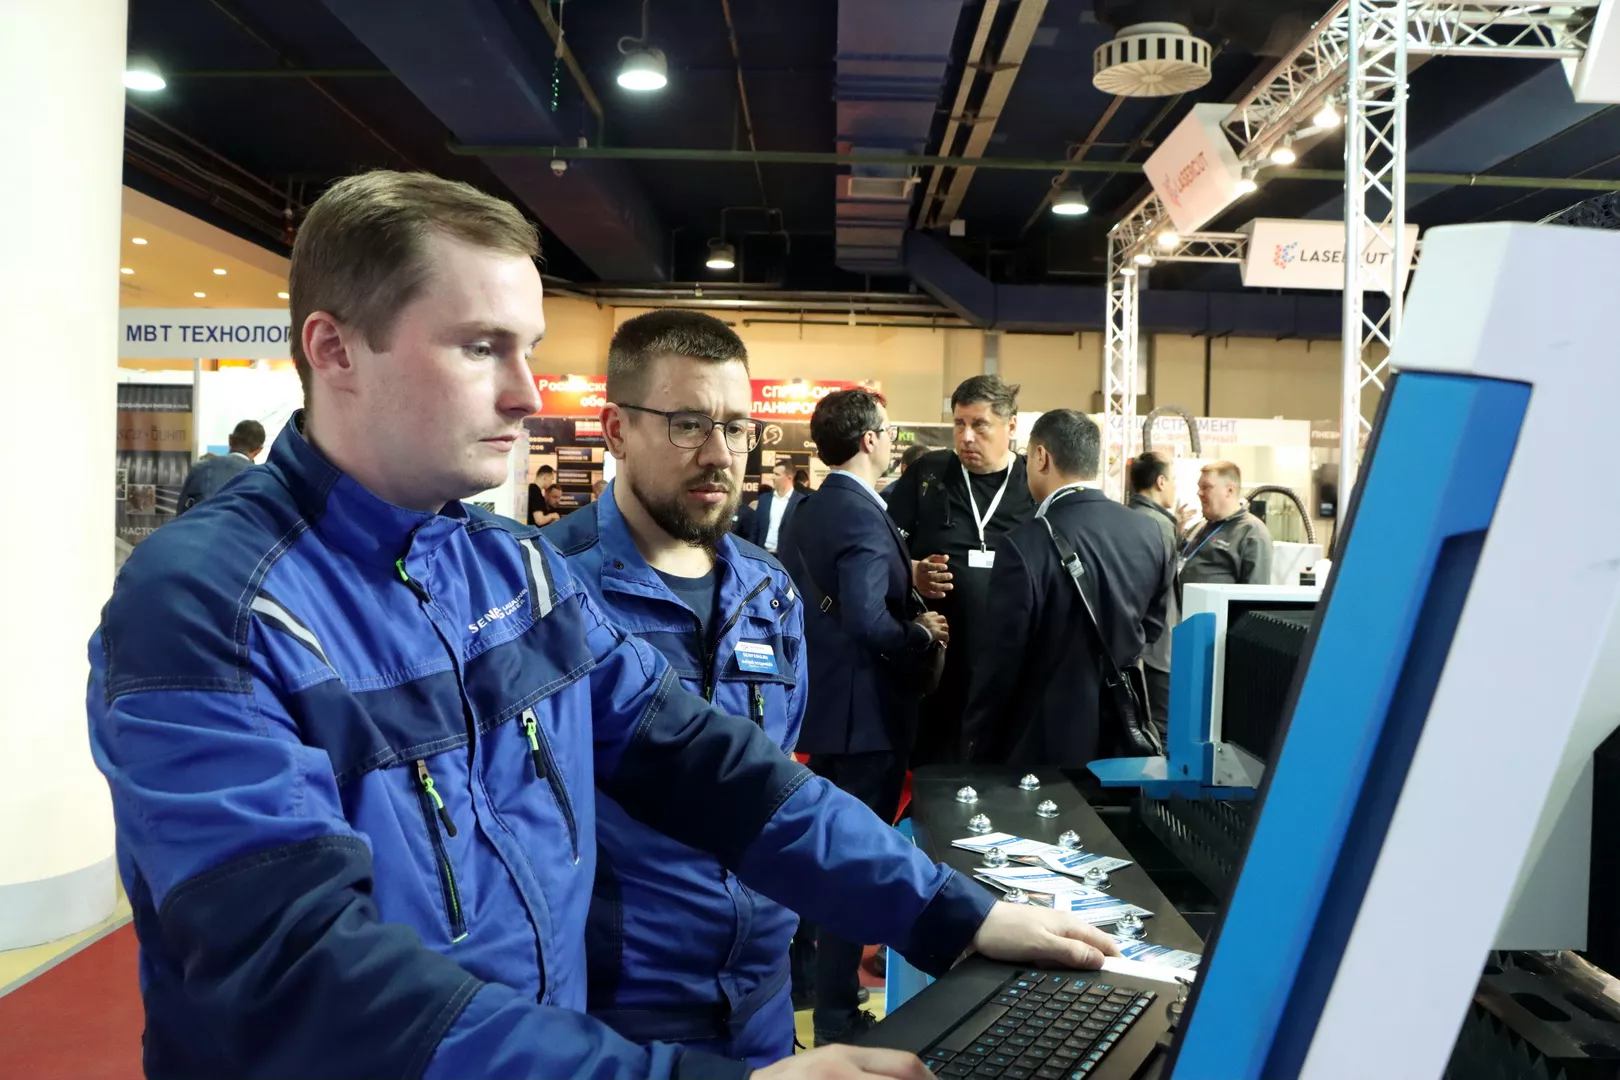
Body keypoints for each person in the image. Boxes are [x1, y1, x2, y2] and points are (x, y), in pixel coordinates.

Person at [87, 170, 1118, 1080]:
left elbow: (713, 767)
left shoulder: (515, 570)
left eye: (527, 350)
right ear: (335, 348)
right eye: (481, 348)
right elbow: (301, 971)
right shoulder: (214, 606)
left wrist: (952, 912)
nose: (526, 394)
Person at [544, 310, 807, 1066]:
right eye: (688, 424)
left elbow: (780, 782)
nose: (719, 454)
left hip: (762, 994)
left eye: (738, 427)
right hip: (621, 1013)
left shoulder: (769, 592)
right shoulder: (547, 587)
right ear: (616, 431)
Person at [780, 389, 949, 1046]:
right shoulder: (858, 512)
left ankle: (813, 994)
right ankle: (837, 1015)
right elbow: (867, 620)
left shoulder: (814, 506)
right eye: (888, 430)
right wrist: (922, 633)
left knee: (820, 858)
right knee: (851, 867)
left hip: (826, 710)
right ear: (870, 439)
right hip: (865, 719)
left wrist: (903, 578)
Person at [962, 411, 1172, 767]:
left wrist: (975, 741)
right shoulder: (1152, 532)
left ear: (1041, 457)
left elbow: (1001, 660)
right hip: (1122, 737)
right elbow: (1151, 629)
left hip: (1042, 745)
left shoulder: (1023, 543)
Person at [884, 375, 1037, 765]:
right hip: (938, 663)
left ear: (1011, 427)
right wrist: (910, 569)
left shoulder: (1031, 484)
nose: (966, 437)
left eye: (980, 425)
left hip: (1009, 665)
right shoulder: (929, 473)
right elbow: (882, 547)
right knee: (933, 768)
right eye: (959, 424)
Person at [1128, 452, 1181, 736]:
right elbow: (1161, 589)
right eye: (1173, 480)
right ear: (1161, 482)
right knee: (1161, 726)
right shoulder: (1160, 525)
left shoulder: (1126, 516)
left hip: (1130, 642)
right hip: (1157, 646)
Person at [1181, 460, 1273, 586]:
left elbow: (1255, 591)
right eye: (1199, 487)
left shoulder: (1252, 532)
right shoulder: (1198, 527)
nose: (1199, 493)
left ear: (1229, 490)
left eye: (1206, 487)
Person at [176, 418, 264, 513]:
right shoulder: (261, 479)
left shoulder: (199, 469)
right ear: (258, 450)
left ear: (230, 440)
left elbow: (181, 513)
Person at [749, 461, 803, 554]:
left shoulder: (800, 501)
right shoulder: (764, 499)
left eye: (777, 474)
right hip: (763, 553)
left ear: (789, 478)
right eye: (773, 473)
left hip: (787, 557)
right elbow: (755, 530)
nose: (773, 477)